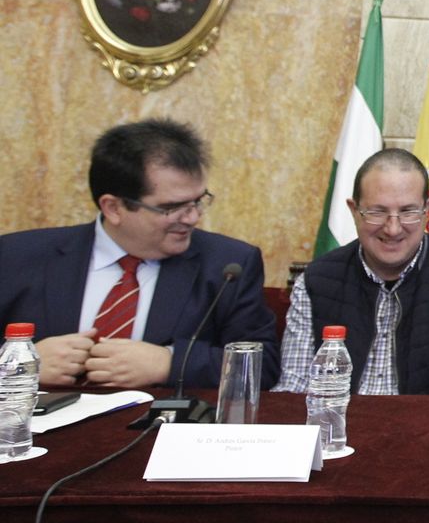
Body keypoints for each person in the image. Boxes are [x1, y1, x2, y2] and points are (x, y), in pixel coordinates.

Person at [0, 118, 280, 389]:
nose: (193, 217)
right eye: (172, 207)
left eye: (198, 201)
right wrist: (18, 365)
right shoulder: (15, 257)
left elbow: (262, 366)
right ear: (113, 208)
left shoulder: (227, 265)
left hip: (159, 431)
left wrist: (170, 363)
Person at [274, 149, 429, 395]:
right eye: (377, 212)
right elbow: (295, 387)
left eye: (408, 211)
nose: (393, 228)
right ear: (354, 210)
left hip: (422, 429)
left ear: (427, 209)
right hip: (334, 427)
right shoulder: (315, 280)